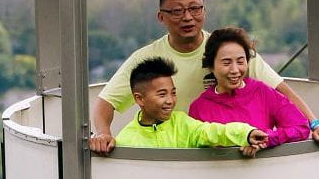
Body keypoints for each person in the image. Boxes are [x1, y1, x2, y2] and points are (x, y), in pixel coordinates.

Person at [88, 0, 313, 153]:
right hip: (178, 154)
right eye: (177, 11)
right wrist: (104, 134)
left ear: (204, 11)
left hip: (224, 150)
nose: (188, 17)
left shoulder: (225, 49)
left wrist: (315, 124)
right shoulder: (146, 58)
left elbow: (282, 92)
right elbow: (105, 103)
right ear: (161, 17)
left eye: (195, 8)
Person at [189, 27, 319, 148]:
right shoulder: (199, 107)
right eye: (226, 63)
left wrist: (265, 139)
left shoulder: (262, 92)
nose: (235, 70)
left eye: (241, 62)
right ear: (211, 66)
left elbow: (300, 127)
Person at [98, 58, 265, 155]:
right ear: (139, 99)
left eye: (173, 93)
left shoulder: (183, 123)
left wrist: (246, 133)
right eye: (162, 94)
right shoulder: (125, 141)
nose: (170, 100)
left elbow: (212, 132)